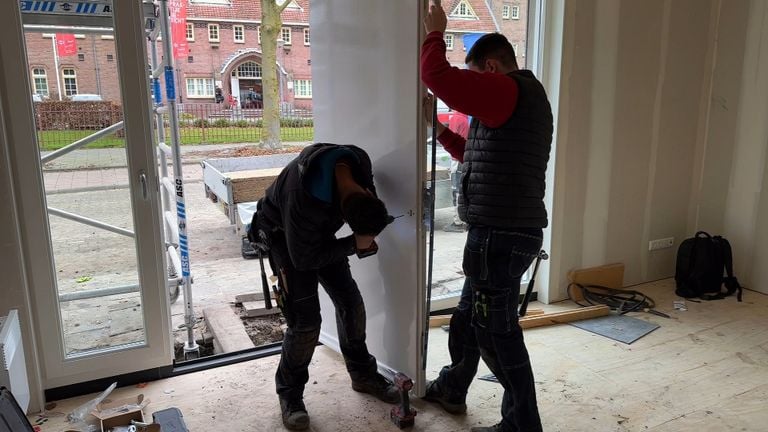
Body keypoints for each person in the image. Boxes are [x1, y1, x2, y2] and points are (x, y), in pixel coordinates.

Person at [420, 1, 554, 431]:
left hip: (500, 233)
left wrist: (435, 31)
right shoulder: (511, 102)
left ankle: (521, 423)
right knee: (467, 319)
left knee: (497, 333)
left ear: (492, 67)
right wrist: (439, 130)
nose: (475, 87)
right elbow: (473, 159)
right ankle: (453, 388)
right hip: (504, 232)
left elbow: (435, 76)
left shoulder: (509, 89)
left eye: (476, 75)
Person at [251, 143, 400, 431]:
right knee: (306, 324)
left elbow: (362, 212)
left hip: (318, 232)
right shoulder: (301, 196)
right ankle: (290, 396)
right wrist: (351, 244)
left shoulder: (358, 161)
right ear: (340, 211)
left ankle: (362, 374)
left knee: (351, 303)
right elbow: (304, 258)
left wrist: (362, 234)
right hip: (285, 237)